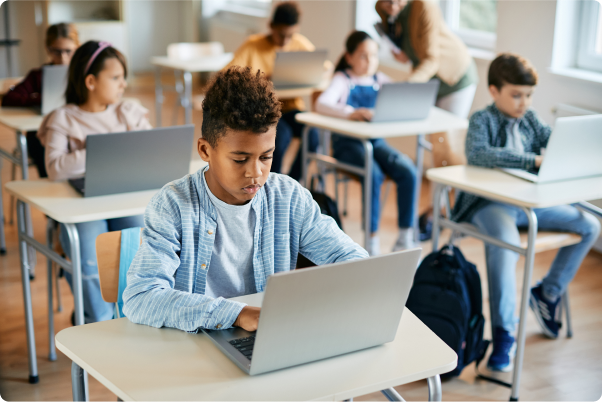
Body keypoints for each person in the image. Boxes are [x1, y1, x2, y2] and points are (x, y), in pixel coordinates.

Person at [123, 66, 368, 332]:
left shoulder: (289, 197)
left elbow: (349, 258)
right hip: (193, 341)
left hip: (265, 336)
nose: (256, 172)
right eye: (240, 159)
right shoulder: (172, 205)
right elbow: (141, 297)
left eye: (266, 157)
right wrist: (236, 314)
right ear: (205, 150)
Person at [452, 53, 601, 372]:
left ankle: (547, 293)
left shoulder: (531, 119)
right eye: (516, 94)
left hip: (529, 203)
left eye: (529, 95)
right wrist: (531, 161)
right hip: (488, 204)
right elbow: (478, 154)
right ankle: (505, 333)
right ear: (494, 90)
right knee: (506, 246)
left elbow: (556, 142)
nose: (524, 102)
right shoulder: (483, 119)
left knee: (589, 225)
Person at [37, 41, 152, 323]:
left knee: (140, 250)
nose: (122, 85)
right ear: (90, 81)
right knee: (89, 257)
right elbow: (54, 168)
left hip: (124, 198)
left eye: (123, 77)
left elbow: (149, 149)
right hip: (81, 204)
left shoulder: (129, 112)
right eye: (115, 78)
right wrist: (106, 150)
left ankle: (130, 317)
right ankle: (97, 321)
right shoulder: (63, 118)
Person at [315, 31, 418, 256]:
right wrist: (351, 112)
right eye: (363, 56)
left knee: (408, 170)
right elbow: (322, 103)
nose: (369, 61)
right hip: (348, 147)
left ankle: (404, 237)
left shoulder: (379, 79)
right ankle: (371, 240)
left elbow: (402, 96)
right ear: (349, 57)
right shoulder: (343, 79)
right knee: (374, 174)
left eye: (373, 55)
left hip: (375, 144)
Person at [225, 1, 319, 181]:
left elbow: (323, 68)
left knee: (313, 135)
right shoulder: (253, 45)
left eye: (290, 35)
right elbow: (228, 75)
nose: (285, 41)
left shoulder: (299, 44)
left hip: (290, 108)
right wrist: (262, 80)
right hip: (263, 111)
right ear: (271, 26)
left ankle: (292, 181)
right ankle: (269, 182)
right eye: (281, 34)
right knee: (279, 137)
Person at [374, 0, 478, 119]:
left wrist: (408, 84)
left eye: (396, 1)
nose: (392, 6)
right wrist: (406, 53)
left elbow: (431, 60)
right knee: (427, 131)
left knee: (446, 132)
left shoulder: (424, 7)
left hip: (454, 75)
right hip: (427, 79)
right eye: (386, 2)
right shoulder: (381, 8)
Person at [2, 23, 80, 178]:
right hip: (42, 136)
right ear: (48, 49)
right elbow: (9, 98)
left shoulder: (85, 76)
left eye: (68, 51)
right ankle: (52, 187)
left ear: (77, 48)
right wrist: (40, 100)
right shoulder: (39, 75)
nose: (63, 57)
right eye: (57, 51)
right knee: (46, 149)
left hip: (76, 130)